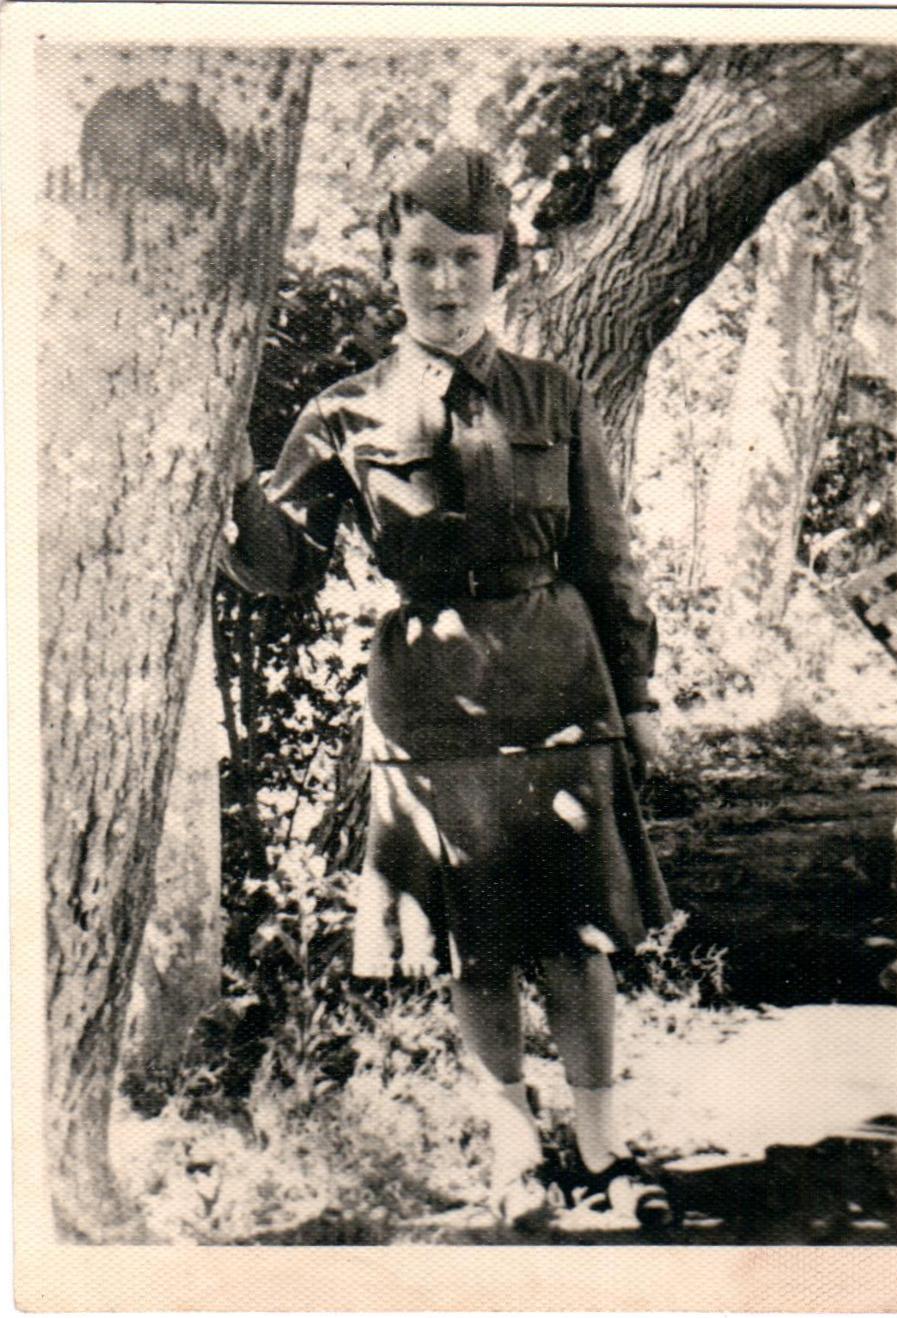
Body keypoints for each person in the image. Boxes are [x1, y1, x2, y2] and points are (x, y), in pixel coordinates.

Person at [221, 146, 673, 1227]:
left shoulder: (552, 395)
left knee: (576, 937)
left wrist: (639, 694)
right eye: (421, 258)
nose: (444, 282)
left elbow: (606, 558)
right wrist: (230, 478)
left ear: (499, 262)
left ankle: (602, 1153)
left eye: (466, 258)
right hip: (429, 702)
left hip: (558, 688)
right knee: (471, 940)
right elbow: (280, 567)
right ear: (391, 261)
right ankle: (517, 1151)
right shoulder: (343, 412)